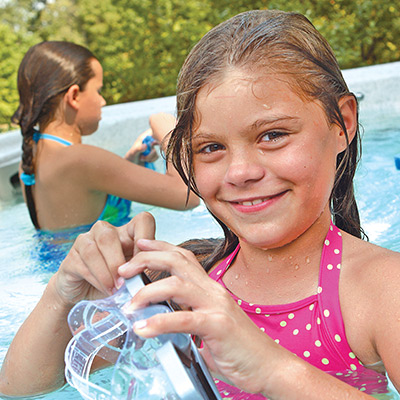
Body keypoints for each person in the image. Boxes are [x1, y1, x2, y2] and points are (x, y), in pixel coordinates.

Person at [1, 9, 400, 399]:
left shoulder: (381, 288)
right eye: (211, 147)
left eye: (273, 135)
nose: (240, 172)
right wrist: (61, 292)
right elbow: (22, 388)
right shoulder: (188, 286)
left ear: (343, 123)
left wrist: (272, 368)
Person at [14, 41, 199, 231]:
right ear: (74, 96)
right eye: (98, 91)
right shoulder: (81, 159)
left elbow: (78, 209)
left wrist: (130, 161)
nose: (102, 101)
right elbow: (187, 196)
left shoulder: (30, 159)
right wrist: (169, 132)